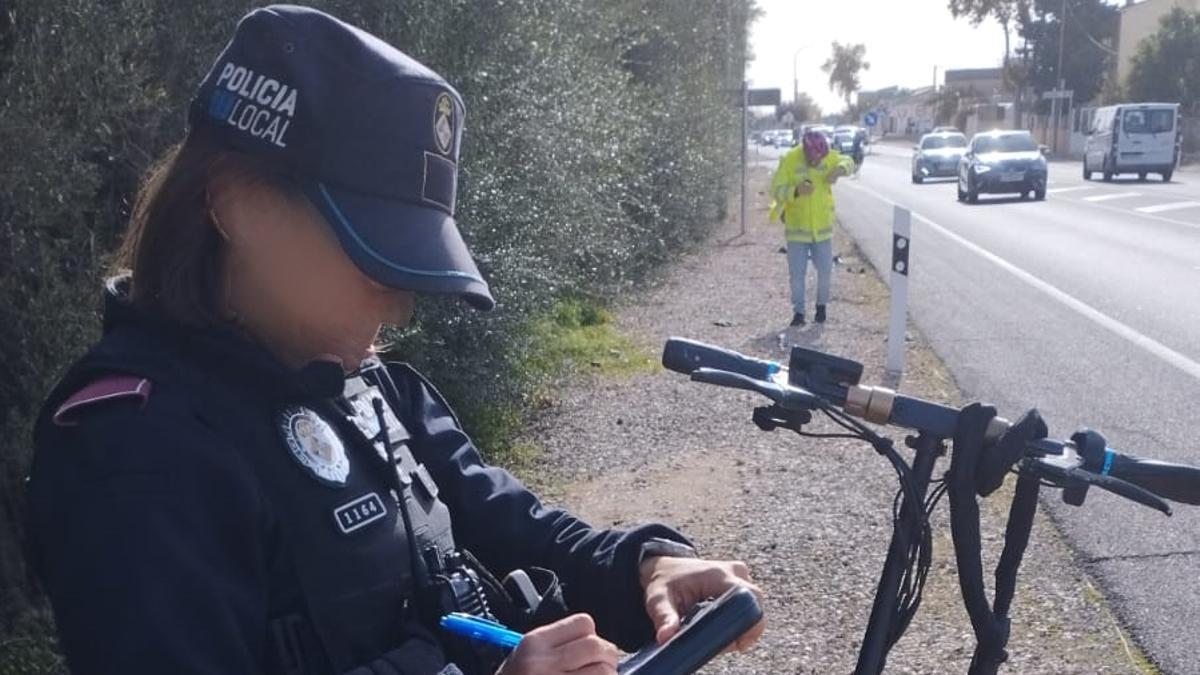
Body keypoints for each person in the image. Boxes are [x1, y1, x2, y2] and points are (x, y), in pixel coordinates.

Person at [24, 6, 764, 675]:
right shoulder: (134, 452)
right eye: (372, 252)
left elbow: (513, 525)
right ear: (235, 204)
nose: (401, 306)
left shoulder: (370, 387)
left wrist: (642, 565)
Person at [770, 130, 854, 327]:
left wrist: (840, 169)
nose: (817, 162)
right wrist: (796, 191)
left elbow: (849, 161)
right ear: (806, 152)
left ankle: (821, 307)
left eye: (820, 158)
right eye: (813, 158)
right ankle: (799, 313)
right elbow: (776, 189)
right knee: (797, 274)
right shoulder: (790, 159)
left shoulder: (830, 157)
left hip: (822, 231)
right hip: (797, 231)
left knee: (825, 271)